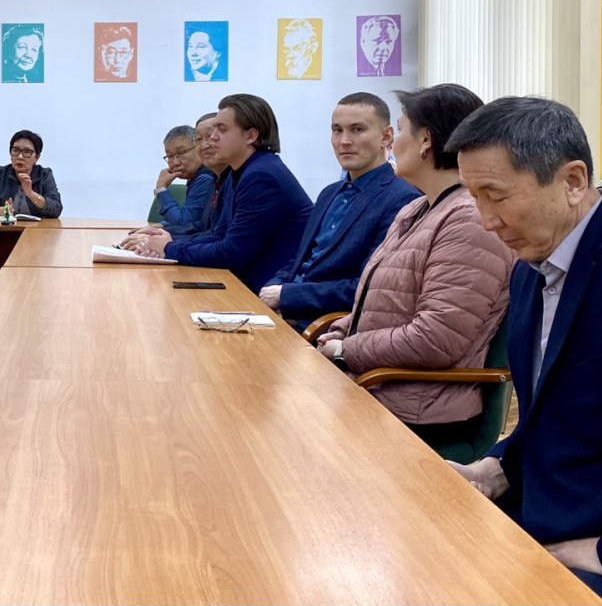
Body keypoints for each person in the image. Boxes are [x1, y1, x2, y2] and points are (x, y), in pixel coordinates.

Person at [445, 97, 602, 597]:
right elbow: (554, 415)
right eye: (474, 197)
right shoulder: (532, 269)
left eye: (495, 196)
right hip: (533, 515)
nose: (486, 221)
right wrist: (494, 468)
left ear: (573, 181)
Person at [315, 84, 516, 433]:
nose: (392, 143)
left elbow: (437, 337)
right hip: (377, 387)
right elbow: (390, 304)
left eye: (401, 129)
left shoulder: (468, 220)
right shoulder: (416, 209)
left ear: (425, 140)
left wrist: (346, 348)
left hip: (418, 410)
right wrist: (342, 329)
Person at [260, 93, 420, 330]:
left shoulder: (403, 198)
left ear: (386, 136)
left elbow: (369, 286)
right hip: (283, 313)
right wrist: (273, 288)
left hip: (324, 326)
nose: (344, 141)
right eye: (337, 130)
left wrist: (288, 297)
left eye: (357, 130)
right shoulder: (329, 193)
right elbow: (300, 260)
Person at [135, 94, 313, 292]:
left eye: (222, 129)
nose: (212, 138)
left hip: (268, 292)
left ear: (250, 136)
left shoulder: (261, 176)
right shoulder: (240, 173)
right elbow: (219, 234)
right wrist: (166, 243)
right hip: (247, 283)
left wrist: (169, 248)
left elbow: (233, 253)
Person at [123, 124, 217, 250]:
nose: (175, 162)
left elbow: (184, 223)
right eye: (170, 156)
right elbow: (195, 220)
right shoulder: (196, 177)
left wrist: (161, 189)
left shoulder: (205, 178)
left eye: (181, 153)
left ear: (197, 147)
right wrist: (162, 226)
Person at [0, 129, 62, 218]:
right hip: (6, 226)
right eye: (15, 150)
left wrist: (31, 194)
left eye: (27, 152)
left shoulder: (44, 175)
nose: (20, 156)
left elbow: (56, 208)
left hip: (38, 227)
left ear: (37, 157)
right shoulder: (0, 173)